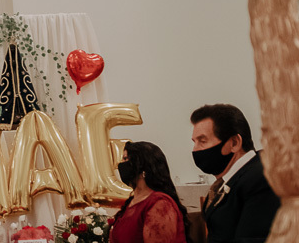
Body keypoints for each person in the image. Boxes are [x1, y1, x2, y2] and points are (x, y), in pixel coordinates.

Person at [190, 104, 280, 243]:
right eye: (194, 142)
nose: (195, 150)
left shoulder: (260, 178)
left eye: (202, 141)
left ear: (234, 143)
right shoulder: (228, 180)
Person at [109, 141, 190, 243]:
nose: (120, 164)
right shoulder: (132, 202)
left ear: (143, 166)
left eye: (126, 159)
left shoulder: (160, 204)